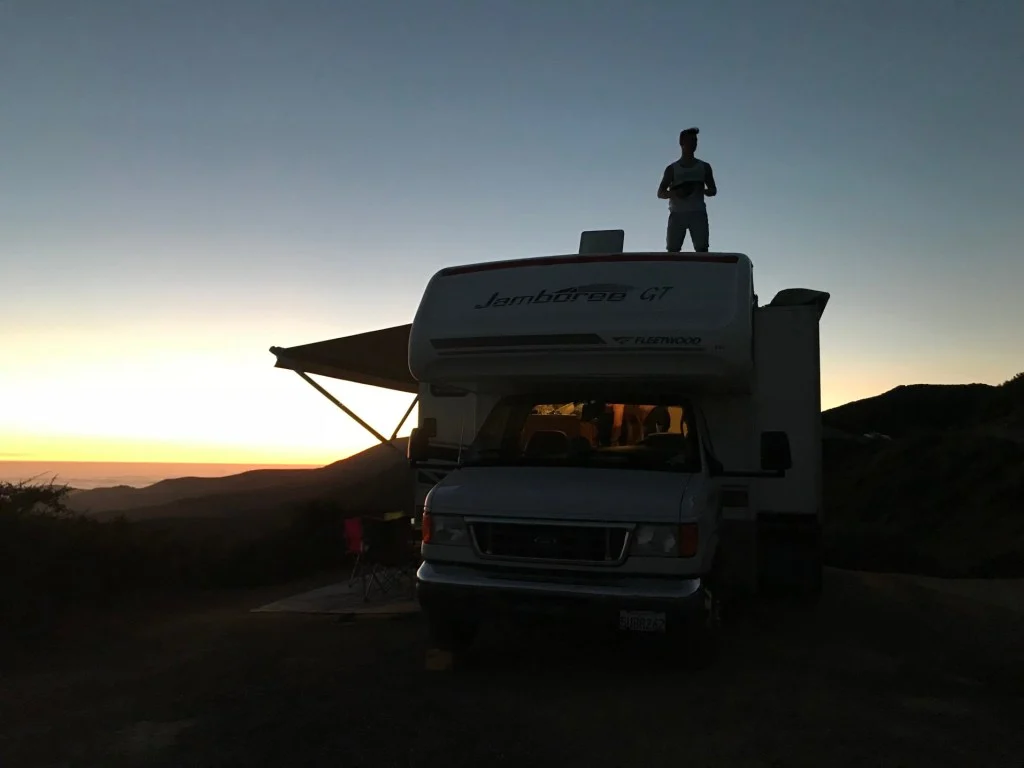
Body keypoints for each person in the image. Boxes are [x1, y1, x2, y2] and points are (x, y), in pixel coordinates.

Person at [657, 127, 717, 252]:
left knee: (702, 249)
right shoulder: (672, 169)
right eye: (690, 140)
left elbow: (713, 190)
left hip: (698, 213)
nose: (693, 144)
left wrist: (701, 190)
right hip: (677, 213)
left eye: (695, 141)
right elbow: (660, 193)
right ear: (682, 142)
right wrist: (675, 192)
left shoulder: (704, 167)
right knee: (673, 250)